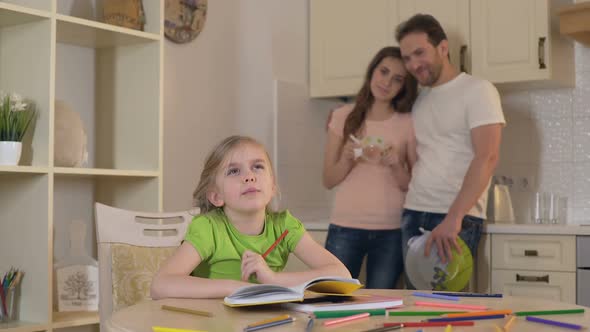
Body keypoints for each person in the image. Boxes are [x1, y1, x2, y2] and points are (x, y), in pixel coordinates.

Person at [151, 135, 350, 299]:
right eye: (234, 171)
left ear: (272, 187)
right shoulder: (208, 227)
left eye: (257, 167)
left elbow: (341, 275)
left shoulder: (284, 226)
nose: (249, 176)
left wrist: (273, 280)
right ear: (216, 196)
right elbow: (160, 285)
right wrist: (236, 289)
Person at [395, 14, 505, 285]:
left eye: (419, 53)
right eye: (407, 58)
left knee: (449, 313)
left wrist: (454, 218)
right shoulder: (420, 100)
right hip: (413, 212)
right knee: (415, 307)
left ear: (443, 48)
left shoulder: (478, 90)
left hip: (455, 217)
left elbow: (487, 156)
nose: (413, 64)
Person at [322, 46, 418, 289]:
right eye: (383, 72)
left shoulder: (407, 122)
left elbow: (412, 185)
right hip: (345, 226)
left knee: (381, 305)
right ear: (372, 71)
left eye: (397, 79)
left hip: (391, 231)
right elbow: (328, 179)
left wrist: (396, 164)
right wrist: (347, 159)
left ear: (403, 87)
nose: (387, 82)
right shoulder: (343, 116)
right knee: (332, 298)